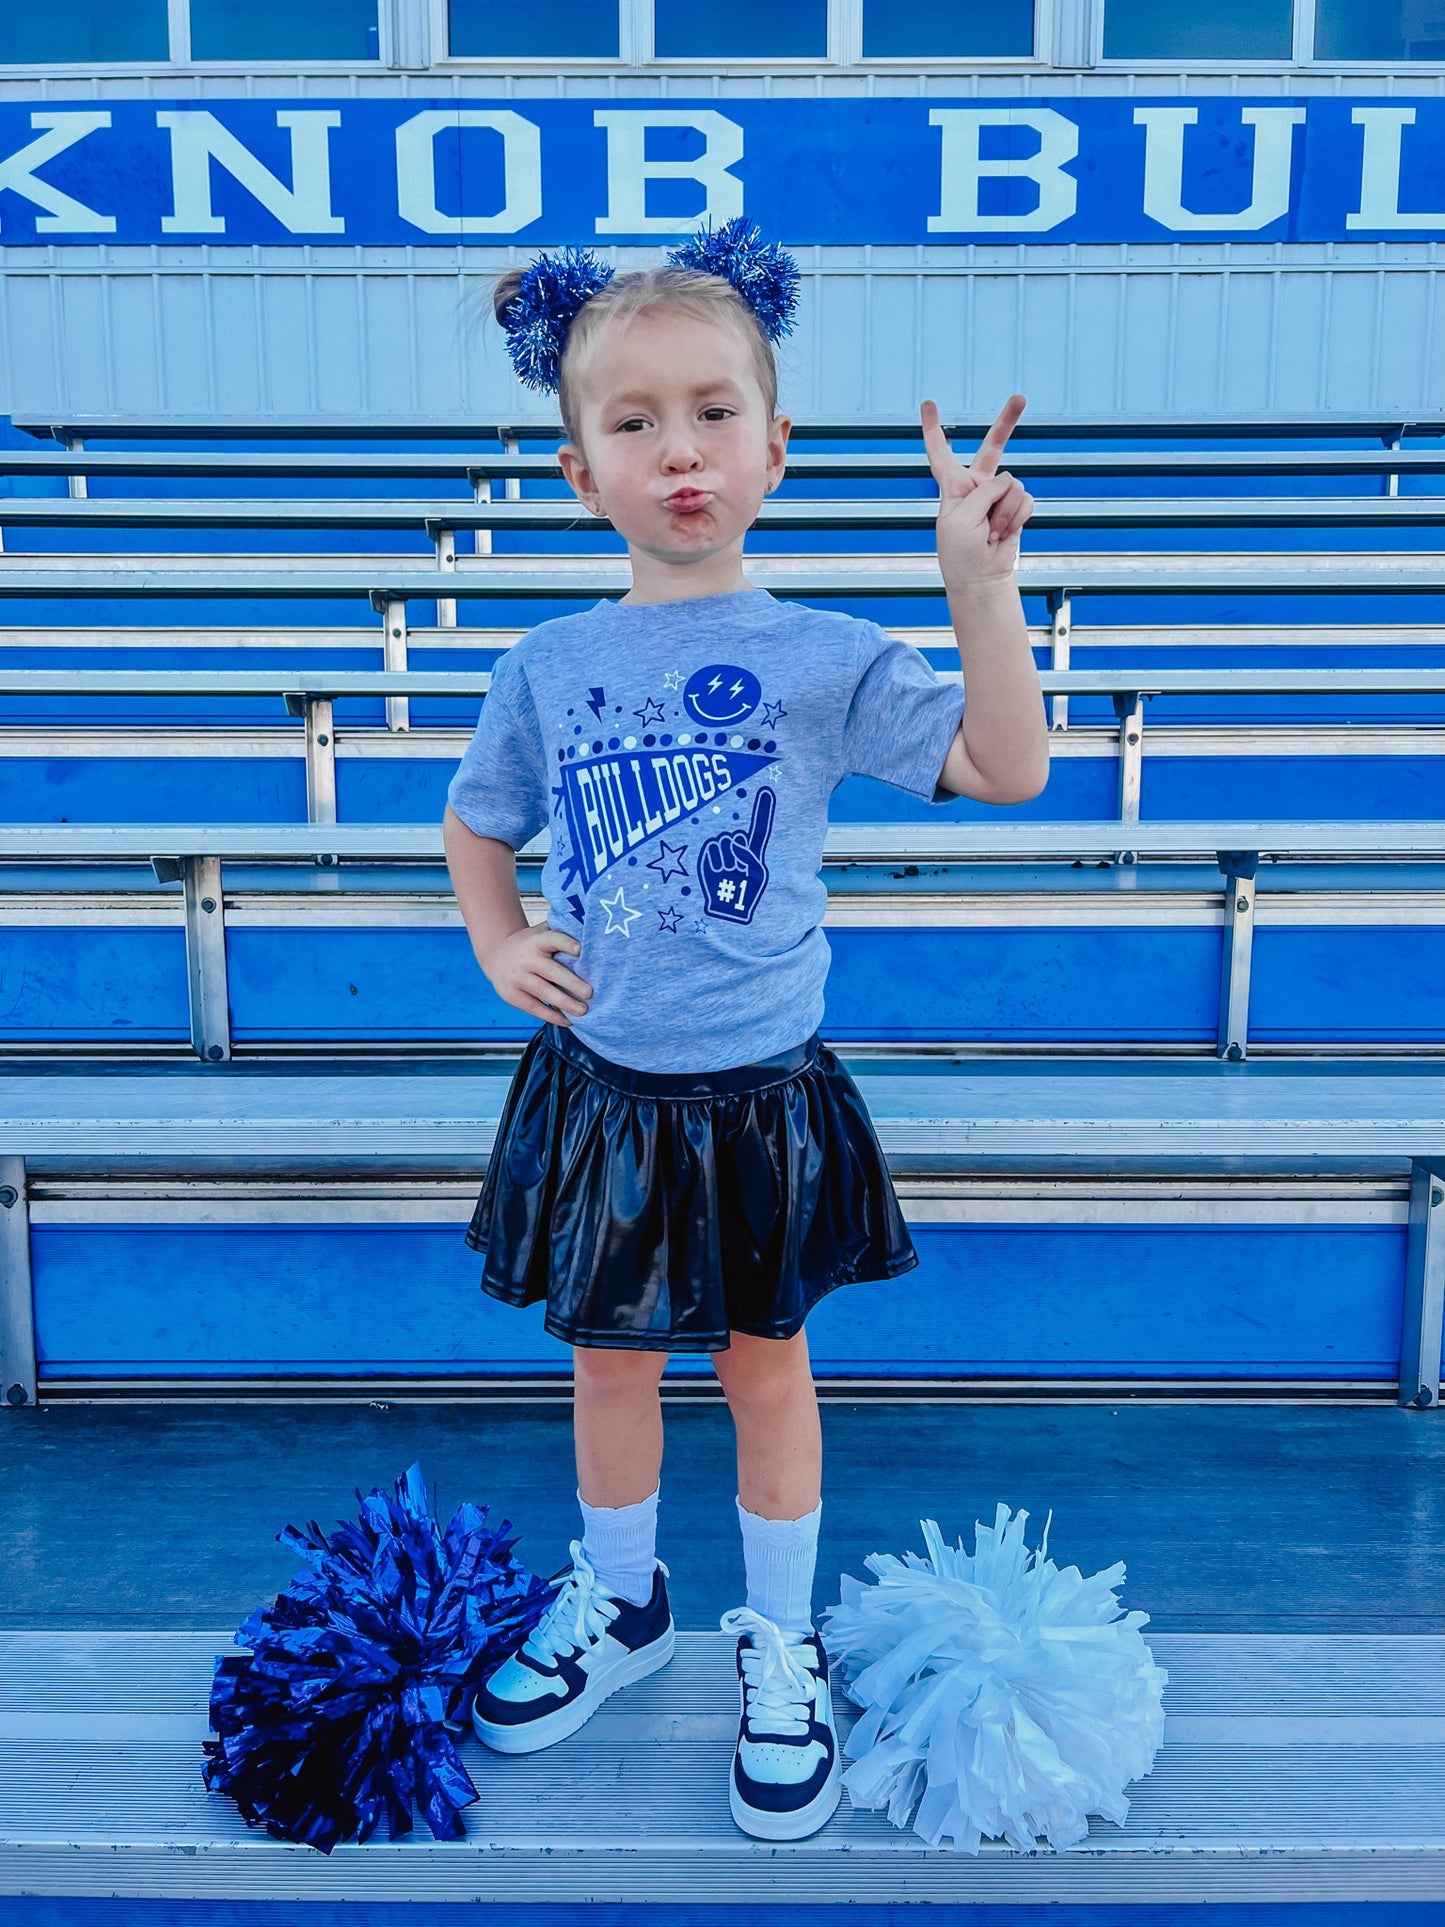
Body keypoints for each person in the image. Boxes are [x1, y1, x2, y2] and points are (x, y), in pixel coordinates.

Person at [442, 221, 1050, 1842]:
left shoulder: (828, 657)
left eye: (712, 411)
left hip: (759, 1093)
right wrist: (499, 936)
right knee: (607, 1351)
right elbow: (476, 824)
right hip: (605, 1088)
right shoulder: (550, 662)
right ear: (578, 470)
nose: (677, 450)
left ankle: (773, 1640)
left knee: (766, 1363)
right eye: (630, 422)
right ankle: (623, 1604)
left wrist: (978, 588)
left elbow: (1006, 766)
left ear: (773, 447)